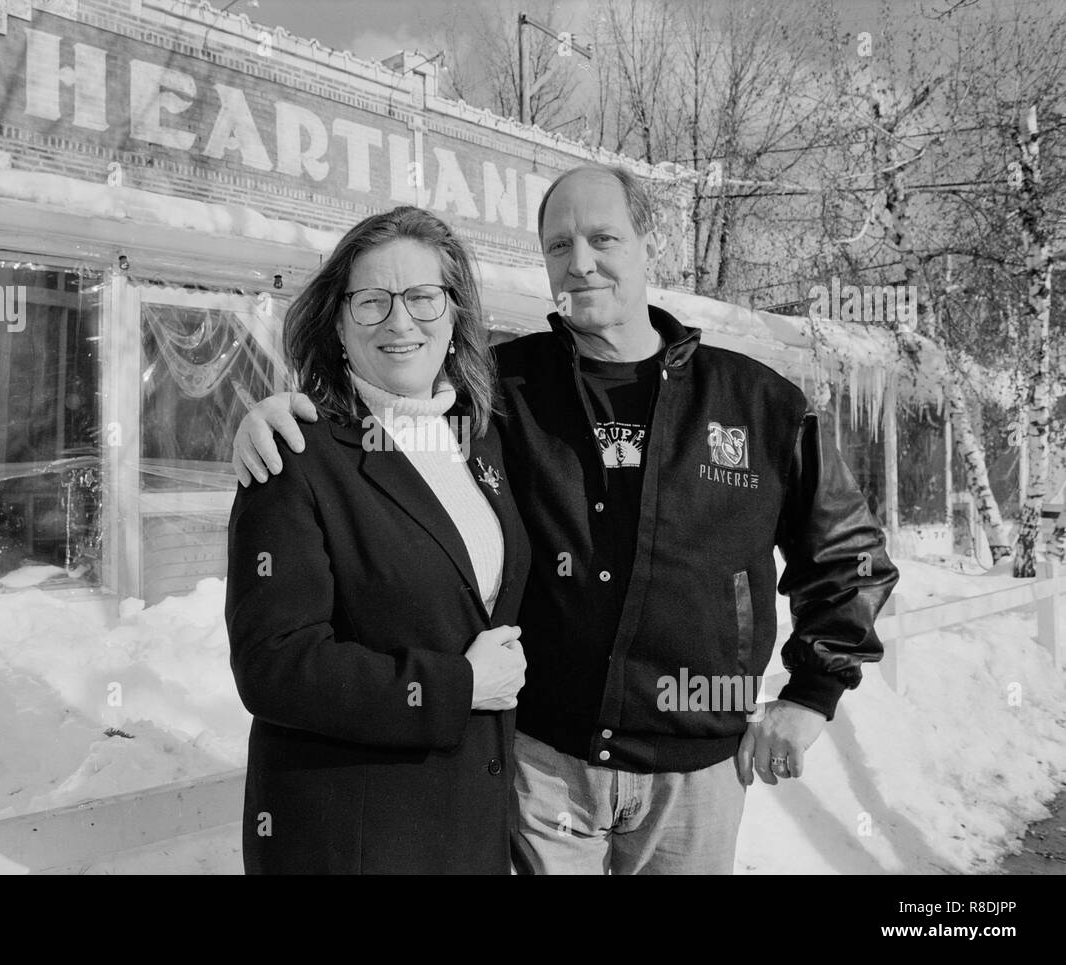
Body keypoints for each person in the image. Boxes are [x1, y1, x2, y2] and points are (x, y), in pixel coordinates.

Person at [232, 165, 898, 875]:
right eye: (558, 246)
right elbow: (387, 408)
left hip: (694, 772)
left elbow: (850, 554)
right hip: (543, 765)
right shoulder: (500, 392)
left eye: (602, 237)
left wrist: (812, 693)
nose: (579, 262)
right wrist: (273, 415)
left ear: (650, 244)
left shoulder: (756, 402)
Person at [225, 206, 532, 874]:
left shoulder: (480, 442)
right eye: (372, 302)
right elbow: (273, 664)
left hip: (466, 830)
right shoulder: (294, 455)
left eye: (422, 297)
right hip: (356, 842)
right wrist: (458, 684)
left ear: (454, 316)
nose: (400, 322)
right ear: (338, 323)